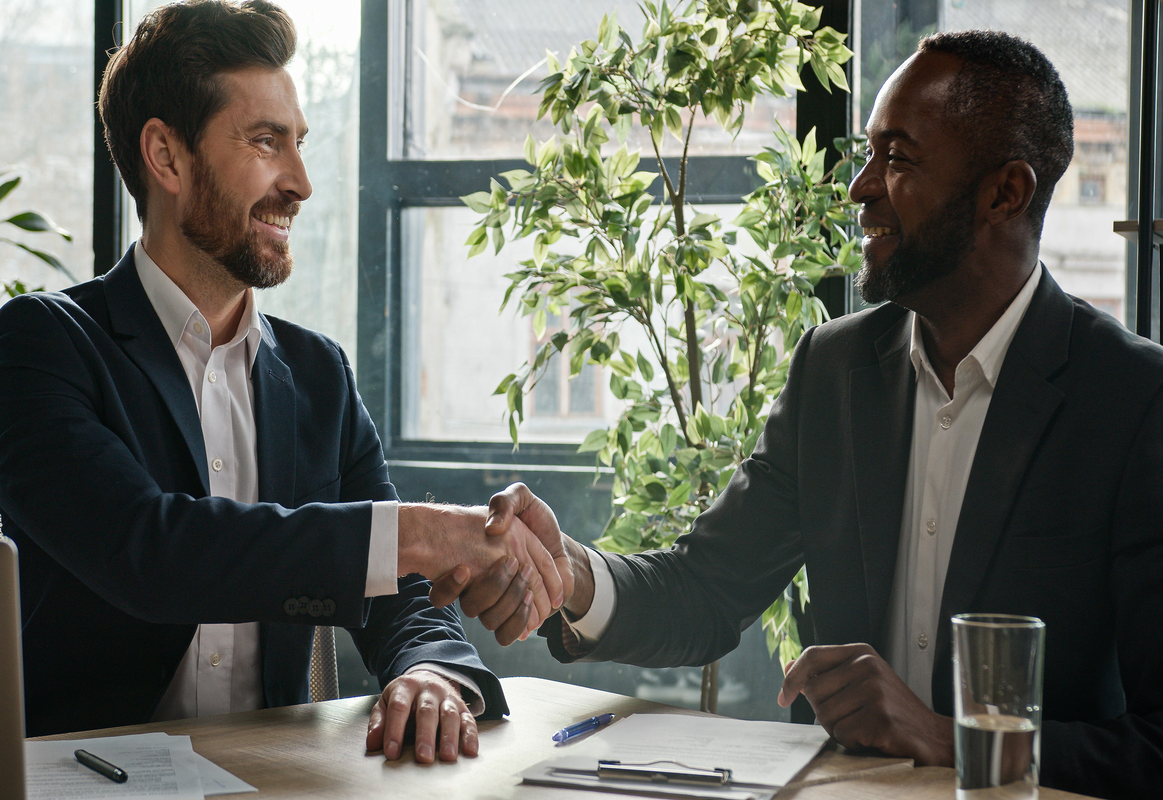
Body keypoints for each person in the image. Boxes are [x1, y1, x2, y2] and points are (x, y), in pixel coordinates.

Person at [433, 30, 1163, 797]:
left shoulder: (1135, 403)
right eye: (869, 154)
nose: (861, 187)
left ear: (1005, 193)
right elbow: (708, 589)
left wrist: (945, 739)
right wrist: (574, 573)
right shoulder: (835, 370)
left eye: (900, 159)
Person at [0, 0, 564, 763]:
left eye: (300, 144)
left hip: (274, 779)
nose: (302, 182)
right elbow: (150, 553)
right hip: (82, 781)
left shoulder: (319, 374)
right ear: (167, 157)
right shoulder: (41, 346)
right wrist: (420, 530)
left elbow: (404, 596)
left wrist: (430, 672)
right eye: (265, 142)